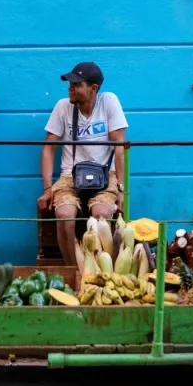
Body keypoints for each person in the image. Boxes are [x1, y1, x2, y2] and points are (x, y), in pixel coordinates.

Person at [37, 62, 128, 266]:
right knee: (64, 215)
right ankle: (73, 271)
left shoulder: (109, 102)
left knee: (102, 216)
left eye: (77, 84)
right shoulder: (63, 107)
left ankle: (99, 273)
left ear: (93, 88)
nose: (70, 87)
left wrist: (121, 190)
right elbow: (48, 148)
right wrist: (47, 188)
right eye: (70, 83)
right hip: (70, 176)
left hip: (106, 175)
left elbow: (120, 148)